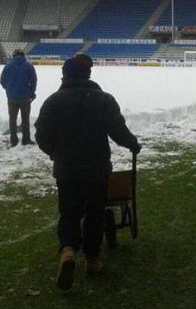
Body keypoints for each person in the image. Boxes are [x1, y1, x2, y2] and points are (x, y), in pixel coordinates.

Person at [34, 54, 141, 291]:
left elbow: (41, 136)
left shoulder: (53, 101)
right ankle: (92, 260)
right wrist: (133, 144)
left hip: (66, 169)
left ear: (65, 75)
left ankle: (68, 251)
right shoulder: (103, 100)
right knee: (95, 212)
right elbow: (118, 131)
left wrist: (55, 153)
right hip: (96, 168)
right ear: (88, 74)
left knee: (69, 212)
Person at [1, 49, 37, 147]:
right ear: (23, 55)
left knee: (12, 119)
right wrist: (31, 92)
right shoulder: (29, 66)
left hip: (12, 97)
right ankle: (26, 139)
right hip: (25, 97)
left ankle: (14, 140)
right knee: (25, 119)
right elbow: (34, 80)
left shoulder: (8, 66)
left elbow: (3, 80)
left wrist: (9, 89)